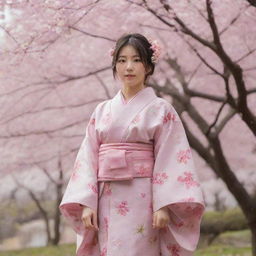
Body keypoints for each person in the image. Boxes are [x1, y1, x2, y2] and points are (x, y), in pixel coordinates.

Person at [59, 33, 205, 256]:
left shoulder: (161, 109)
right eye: (122, 60)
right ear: (115, 65)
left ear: (148, 66)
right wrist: (87, 202)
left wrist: (163, 204)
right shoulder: (101, 110)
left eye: (137, 60)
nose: (129, 67)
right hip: (105, 196)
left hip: (143, 198)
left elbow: (171, 157)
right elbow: (88, 158)